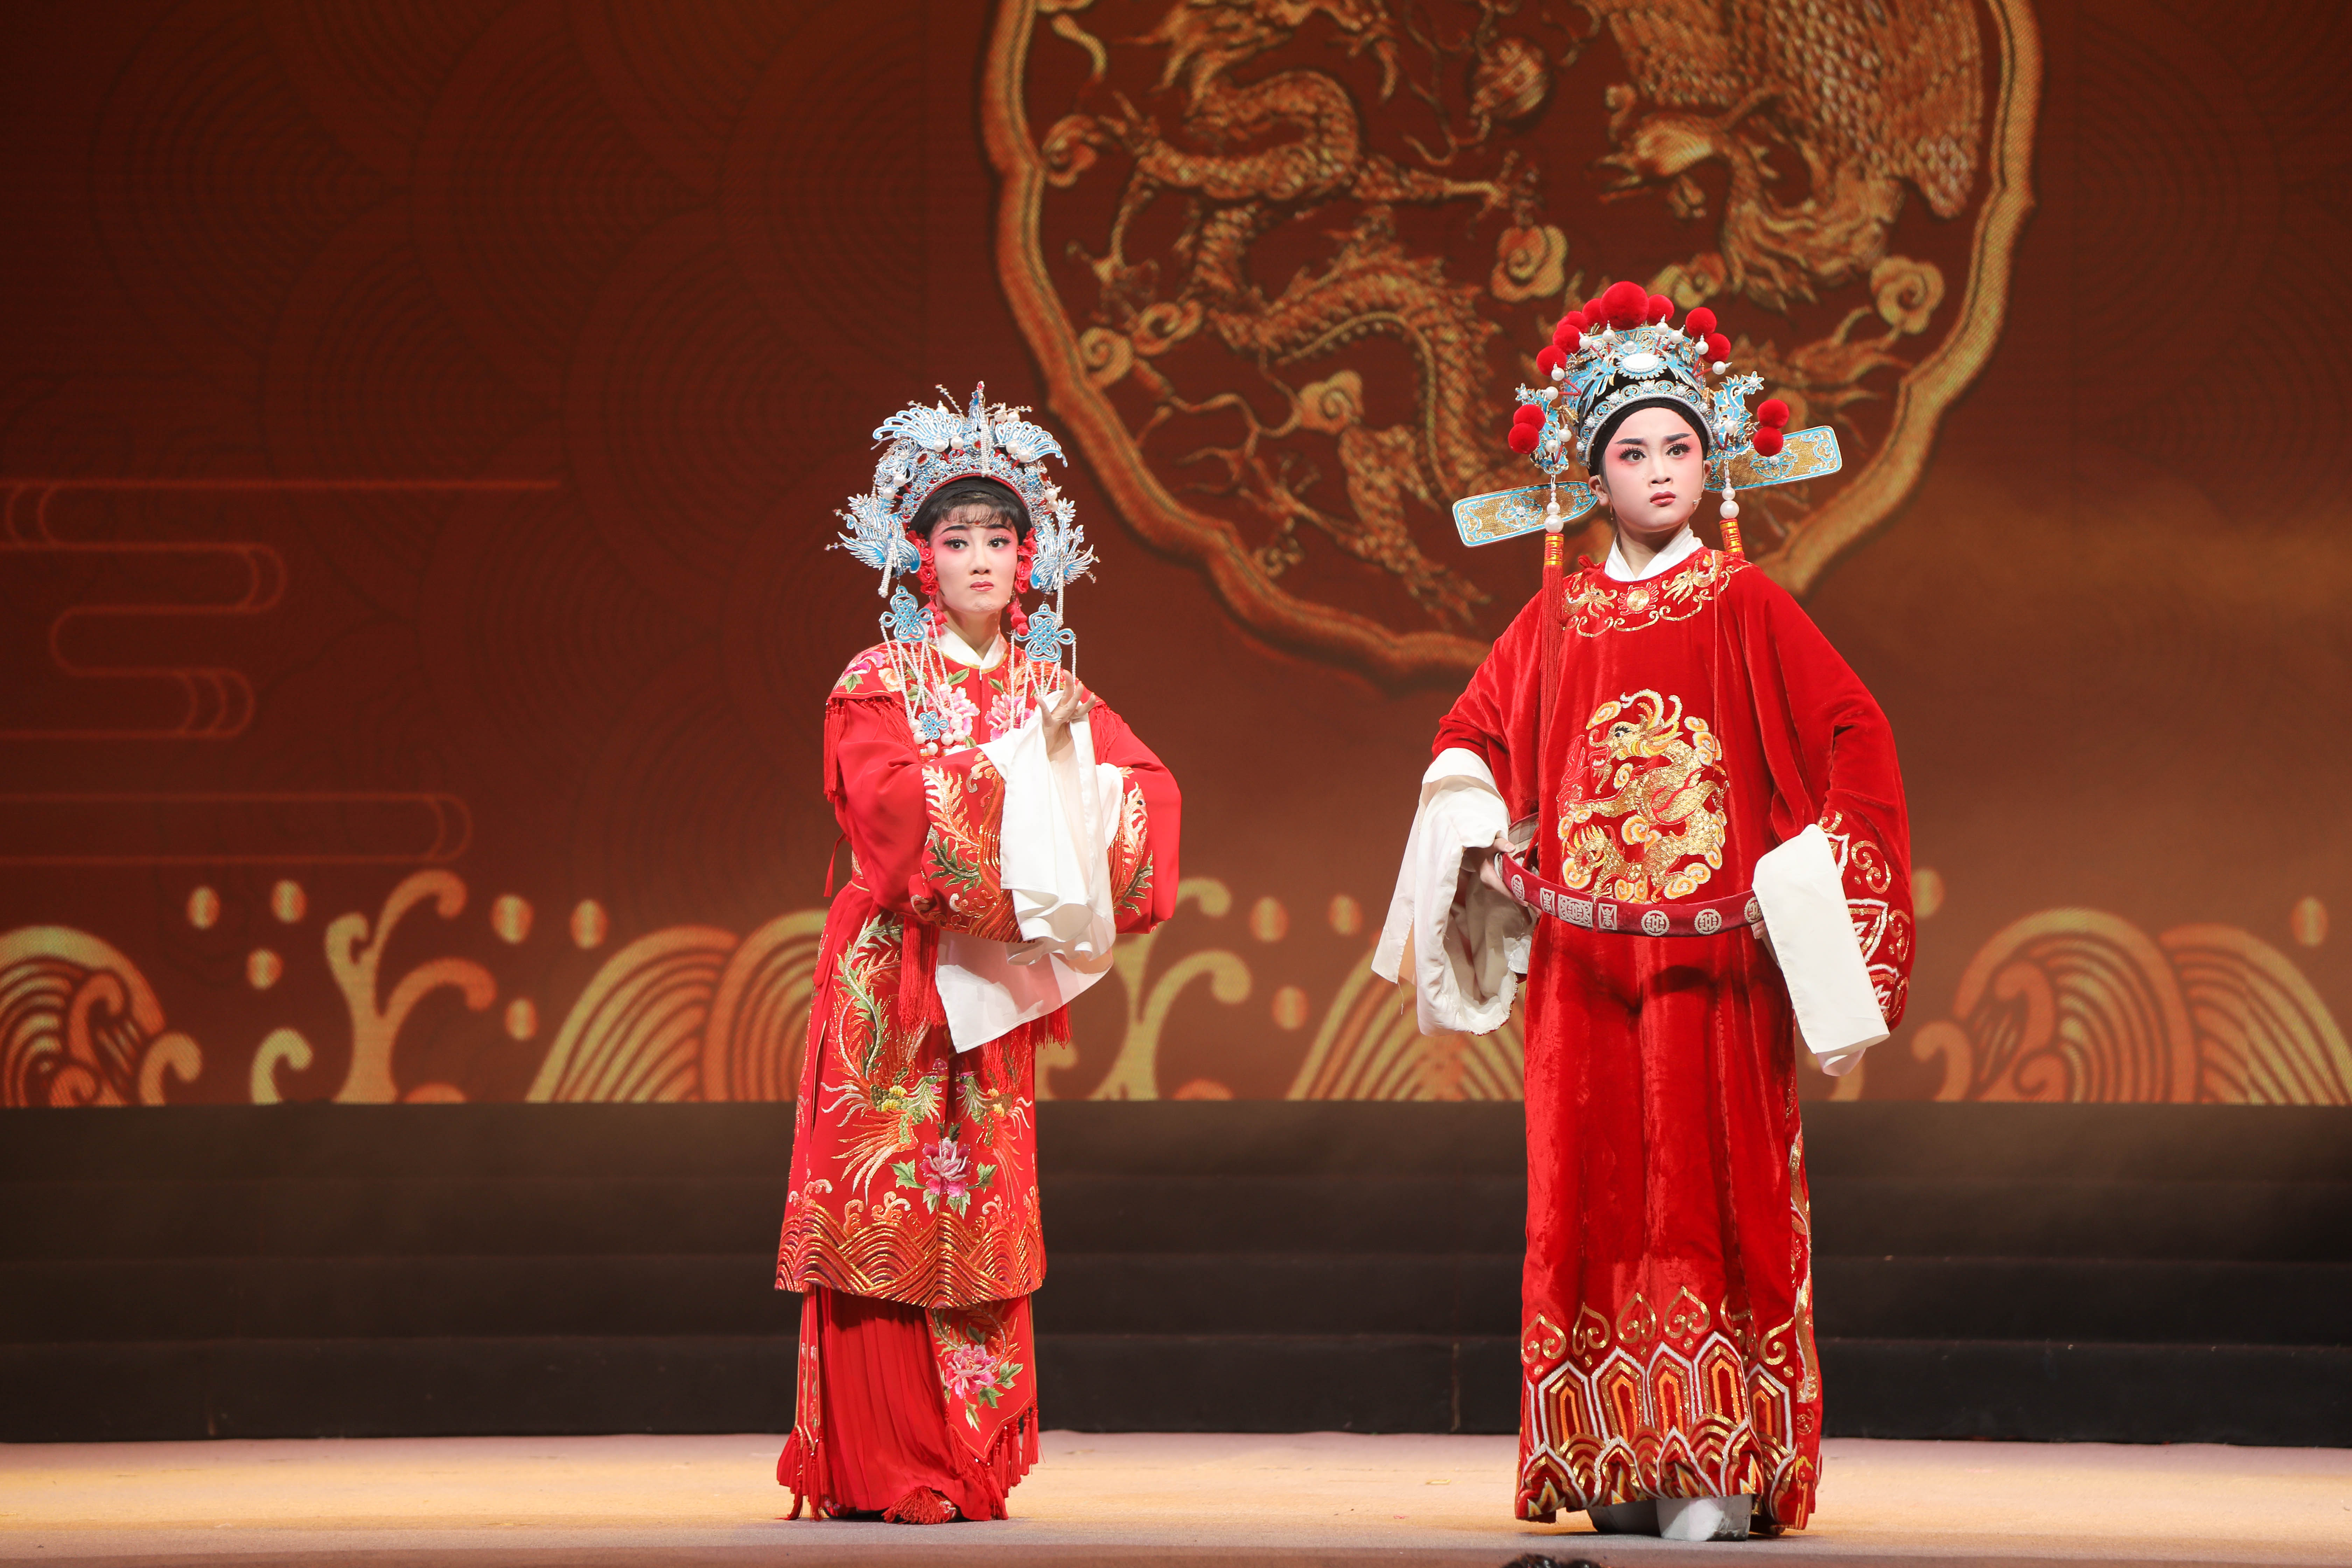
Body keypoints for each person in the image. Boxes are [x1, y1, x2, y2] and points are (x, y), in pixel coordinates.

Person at [1375, 281, 1914, 1541]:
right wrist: (1479, 823)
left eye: (1681, 446)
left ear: (1712, 463)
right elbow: (1470, 735)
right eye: (1633, 451)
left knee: (1711, 1196)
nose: (1661, 469)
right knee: (1594, 1196)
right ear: (1593, 475)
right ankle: (1611, 1455)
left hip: (1716, 971)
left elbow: (1856, 733)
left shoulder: (1743, 602)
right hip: (1583, 969)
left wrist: (1805, 873)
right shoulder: (1555, 617)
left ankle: (1715, 1457)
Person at [776, 387, 1180, 1523]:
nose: (982, 558)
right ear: (920, 558)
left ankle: (968, 1459)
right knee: (886, 1200)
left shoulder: (1055, 693)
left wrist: (1068, 794)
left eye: (1000, 538)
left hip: (991, 992)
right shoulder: (875, 681)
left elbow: (1146, 794)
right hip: (893, 986)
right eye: (957, 539)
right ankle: (882, 1459)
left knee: (979, 1205)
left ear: (1028, 558)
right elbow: (890, 817)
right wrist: (1028, 791)